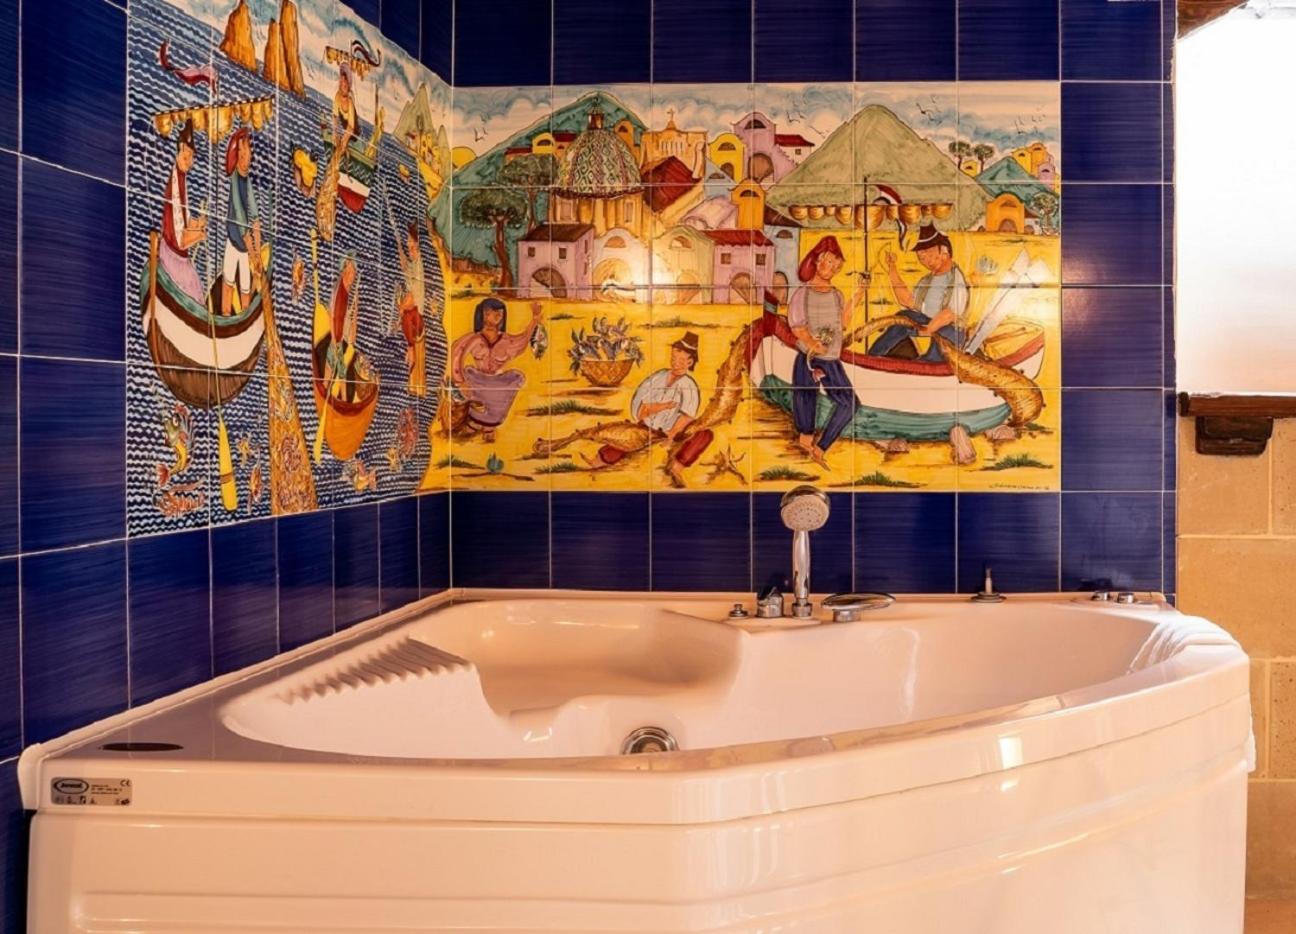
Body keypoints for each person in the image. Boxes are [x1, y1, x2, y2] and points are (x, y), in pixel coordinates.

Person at [587, 332, 713, 487]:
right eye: (673, 358)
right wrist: (658, 407)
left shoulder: (689, 385)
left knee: (705, 434)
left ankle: (677, 467)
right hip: (647, 426)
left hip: (674, 431)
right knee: (627, 436)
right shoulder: (659, 376)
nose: (675, 363)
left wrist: (671, 434)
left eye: (681, 360)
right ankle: (599, 460)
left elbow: (687, 416)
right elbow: (641, 407)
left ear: (690, 362)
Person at [786, 237, 866, 467]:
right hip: (809, 357)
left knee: (849, 403)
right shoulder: (802, 293)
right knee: (805, 399)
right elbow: (797, 327)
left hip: (830, 359)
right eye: (829, 262)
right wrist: (812, 343)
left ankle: (821, 448)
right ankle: (805, 446)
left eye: (836, 265)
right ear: (817, 260)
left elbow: (842, 323)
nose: (832, 268)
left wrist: (858, 295)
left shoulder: (836, 294)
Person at [868, 223, 970, 363]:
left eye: (928, 254)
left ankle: (927, 364)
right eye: (921, 258)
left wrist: (928, 330)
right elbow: (908, 301)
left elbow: (949, 314)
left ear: (944, 252)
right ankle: (873, 356)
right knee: (902, 317)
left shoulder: (956, 279)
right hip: (927, 322)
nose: (925, 260)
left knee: (944, 336)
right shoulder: (926, 280)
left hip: (950, 327)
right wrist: (892, 268)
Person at [450, 297, 543, 443]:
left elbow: (523, 339)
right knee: (473, 392)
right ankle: (473, 423)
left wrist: (535, 319)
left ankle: (489, 426)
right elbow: (457, 352)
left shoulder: (506, 341)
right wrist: (460, 381)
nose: (496, 316)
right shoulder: (474, 339)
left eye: (499, 313)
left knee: (508, 387)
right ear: (483, 315)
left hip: (496, 382)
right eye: (491, 313)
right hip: (478, 380)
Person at [159, 118, 207, 304]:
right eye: (187, 157)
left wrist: (197, 223)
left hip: (178, 256)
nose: (190, 163)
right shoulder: (174, 185)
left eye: (192, 158)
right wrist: (199, 235)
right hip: (173, 259)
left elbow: (184, 220)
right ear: (179, 151)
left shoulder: (180, 179)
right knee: (196, 296)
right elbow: (181, 240)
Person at [220, 127, 262, 317]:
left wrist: (257, 253)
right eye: (242, 153)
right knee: (228, 284)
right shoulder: (235, 180)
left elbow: (255, 218)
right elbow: (241, 218)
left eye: (248, 152)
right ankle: (225, 316)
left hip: (245, 248)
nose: (247, 158)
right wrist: (254, 254)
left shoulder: (248, 182)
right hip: (234, 241)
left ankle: (243, 320)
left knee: (246, 290)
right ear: (237, 157)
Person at [394, 222, 427, 396]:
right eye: (408, 244)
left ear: (417, 243)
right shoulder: (414, 262)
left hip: (415, 319)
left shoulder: (419, 266)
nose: (409, 246)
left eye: (411, 243)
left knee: (406, 318)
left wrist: (400, 307)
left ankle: (410, 351)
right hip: (413, 316)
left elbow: (412, 298)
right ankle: (413, 389)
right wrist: (399, 247)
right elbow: (405, 266)